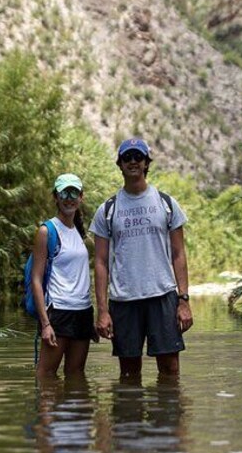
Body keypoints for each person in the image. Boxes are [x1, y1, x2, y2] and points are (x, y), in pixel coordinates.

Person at [90, 138, 193, 377]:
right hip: (124, 300)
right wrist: (103, 311)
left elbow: (179, 254)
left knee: (170, 369)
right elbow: (101, 263)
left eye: (138, 157)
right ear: (120, 164)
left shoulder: (166, 204)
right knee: (128, 373)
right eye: (127, 157)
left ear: (147, 163)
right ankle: (129, 414)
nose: (133, 162)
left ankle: (168, 412)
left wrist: (184, 300)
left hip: (163, 297)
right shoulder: (107, 210)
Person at [31, 173, 94, 378]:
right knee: (46, 375)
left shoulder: (79, 232)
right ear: (55, 197)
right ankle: (46, 411)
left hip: (83, 312)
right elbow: (36, 279)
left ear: (81, 197)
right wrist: (46, 324)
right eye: (64, 192)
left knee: (76, 376)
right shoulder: (46, 231)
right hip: (58, 312)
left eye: (74, 192)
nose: (69, 197)